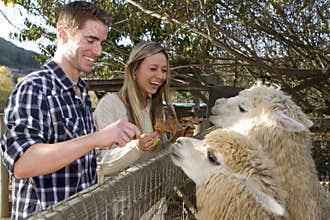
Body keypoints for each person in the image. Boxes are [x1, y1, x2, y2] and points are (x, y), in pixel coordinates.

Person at [0, 2, 141, 219]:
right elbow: (22, 163)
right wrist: (97, 138)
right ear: (63, 34)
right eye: (90, 40)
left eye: (101, 42)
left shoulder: (82, 92)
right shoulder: (34, 88)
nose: (98, 51)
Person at [93, 41, 178, 182]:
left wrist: (173, 143)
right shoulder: (110, 105)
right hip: (118, 200)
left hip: (153, 198)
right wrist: (137, 147)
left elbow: (155, 157)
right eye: (153, 69)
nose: (160, 76)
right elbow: (101, 164)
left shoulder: (157, 110)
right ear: (134, 70)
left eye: (164, 70)